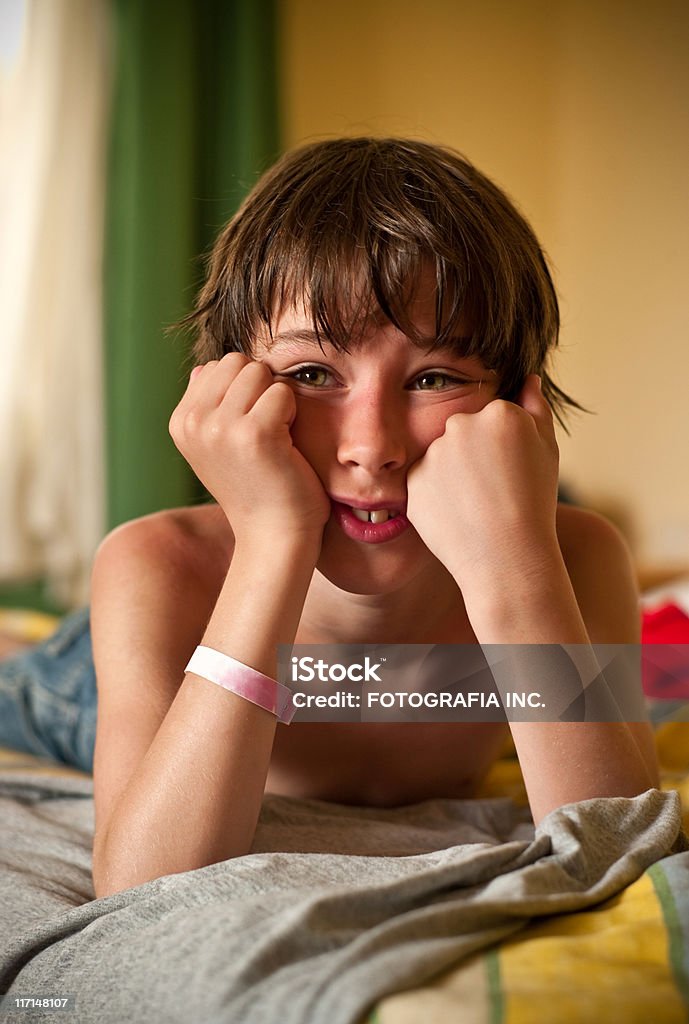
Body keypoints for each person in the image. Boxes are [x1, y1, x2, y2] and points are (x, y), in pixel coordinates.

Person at [0, 138, 658, 898]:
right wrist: (271, 542)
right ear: (229, 391)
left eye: (435, 377)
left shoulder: (570, 562)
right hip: (113, 677)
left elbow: (615, 853)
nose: (371, 447)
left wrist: (511, 571)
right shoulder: (161, 566)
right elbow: (143, 885)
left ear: (515, 403)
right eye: (311, 374)